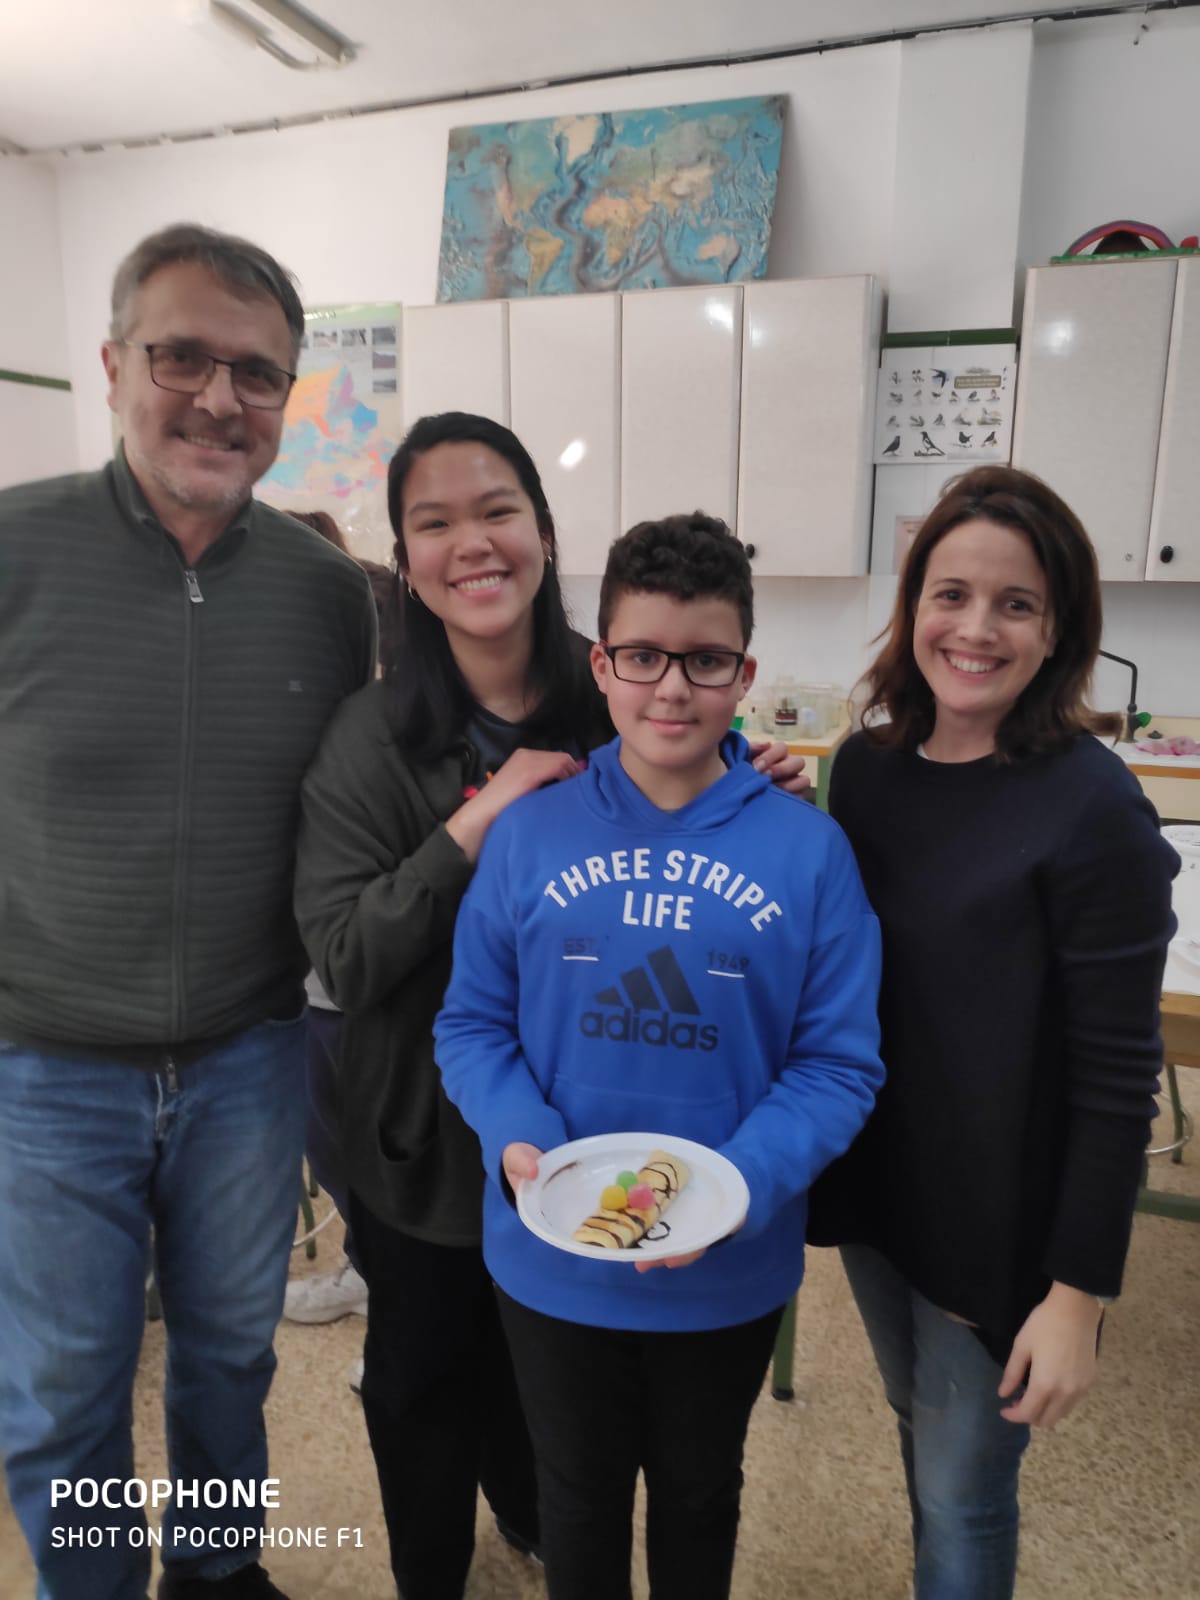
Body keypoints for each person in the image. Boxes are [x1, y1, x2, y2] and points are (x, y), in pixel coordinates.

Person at [292, 415, 812, 1600]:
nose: (472, 543)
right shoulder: (371, 735)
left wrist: (753, 782)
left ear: (542, 528)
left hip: (603, 1133)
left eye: (498, 511)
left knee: (565, 1412)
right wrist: (480, 821)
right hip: (429, 1134)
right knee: (428, 1381)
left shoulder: (618, 678)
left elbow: (699, 786)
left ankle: (538, 1527)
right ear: (406, 557)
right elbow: (344, 957)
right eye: (434, 522)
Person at [0, 224, 377, 1600]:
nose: (220, 398)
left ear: (286, 397)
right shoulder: (13, 551)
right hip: (42, 1068)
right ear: (113, 367)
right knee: (61, 1389)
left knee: (229, 1357)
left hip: (247, 1058)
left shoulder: (331, 596)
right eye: (182, 357)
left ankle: (218, 1574)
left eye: (257, 372)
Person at [433, 510, 886, 1600]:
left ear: (745, 673)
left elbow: (837, 1064)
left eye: (706, 660)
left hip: (727, 1267)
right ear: (601, 665)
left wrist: (740, 1183)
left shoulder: (809, 851)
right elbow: (472, 1023)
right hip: (552, 1254)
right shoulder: (530, 832)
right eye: (642, 656)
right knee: (576, 1498)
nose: (672, 689)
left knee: (698, 1494)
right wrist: (521, 1134)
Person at [805, 465, 1179, 1600]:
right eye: (952, 594)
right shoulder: (864, 768)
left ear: (1058, 629)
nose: (975, 629)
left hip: (999, 1220)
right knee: (916, 1423)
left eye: (1017, 604)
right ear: (914, 602)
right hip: (883, 1187)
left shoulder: (1093, 806)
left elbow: (1118, 1079)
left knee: (965, 1491)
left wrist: (1079, 1295)